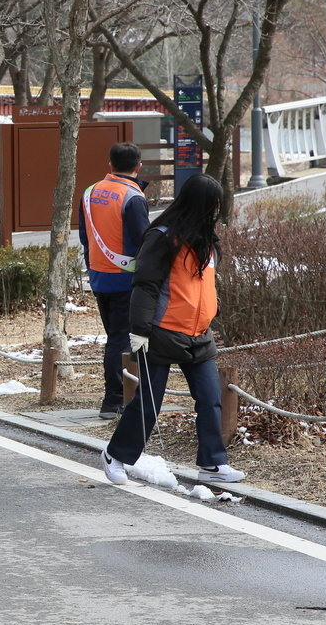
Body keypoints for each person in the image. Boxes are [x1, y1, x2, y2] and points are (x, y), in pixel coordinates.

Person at [100, 173, 245, 486]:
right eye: (213, 204)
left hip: (199, 334)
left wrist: (212, 308)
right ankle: (116, 455)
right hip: (161, 332)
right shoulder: (163, 236)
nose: (217, 211)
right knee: (148, 404)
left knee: (210, 399)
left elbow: (203, 283)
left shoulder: (206, 239)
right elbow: (145, 285)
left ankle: (212, 463)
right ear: (200, 204)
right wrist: (139, 330)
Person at [78, 142, 151, 419]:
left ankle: (121, 395)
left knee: (115, 337)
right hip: (126, 279)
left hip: (99, 276)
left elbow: (85, 237)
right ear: (139, 166)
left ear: (110, 164)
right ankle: (115, 399)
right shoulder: (132, 197)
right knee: (121, 340)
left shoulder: (89, 192)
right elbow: (143, 241)